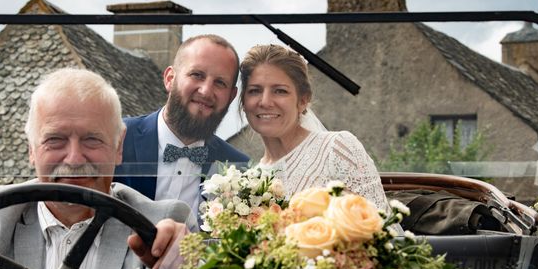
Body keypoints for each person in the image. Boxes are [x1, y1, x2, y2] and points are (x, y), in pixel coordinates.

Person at [0, 68, 196, 269]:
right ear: (32, 149)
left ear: (118, 147)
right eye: (55, 140)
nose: (74, 159)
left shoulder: (162, 225)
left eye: (91, 140)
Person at [115, 34, 249, 225]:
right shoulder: (117, 138)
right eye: (197, 75)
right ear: (170, 79)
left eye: (220, 83)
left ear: (231, 96)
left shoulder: (239, 170)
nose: (206, 91)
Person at [239, 44, 388, 211]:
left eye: (280, 91)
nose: (265, 102)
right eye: (254, 91)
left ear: (303, 100)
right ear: (244, 102)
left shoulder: (337, 149)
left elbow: (385, 229)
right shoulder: (247, 185)